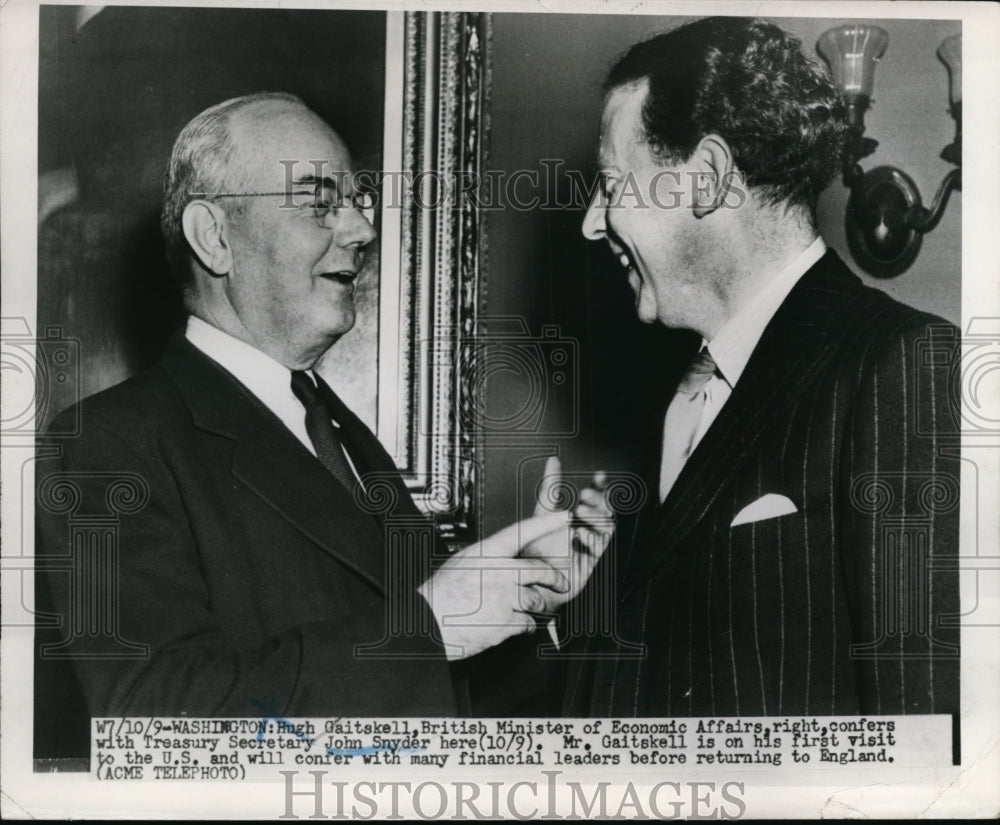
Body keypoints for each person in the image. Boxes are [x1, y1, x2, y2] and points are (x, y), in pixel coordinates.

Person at [35, 92, 609, 726]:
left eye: (358, 201)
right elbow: (156, 719)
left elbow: (443, 699)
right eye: (319, 202)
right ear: (215, 238)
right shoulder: (107, 445)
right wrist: (427, 628)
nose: (362, 229)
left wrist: (529, 602)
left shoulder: (338, 433)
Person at [567, 17, 960, 717]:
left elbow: (924, 728)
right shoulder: (677, 396)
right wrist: (586, 597)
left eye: (610, 185)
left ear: (709, 177)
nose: (591, 223)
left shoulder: (900, 364)